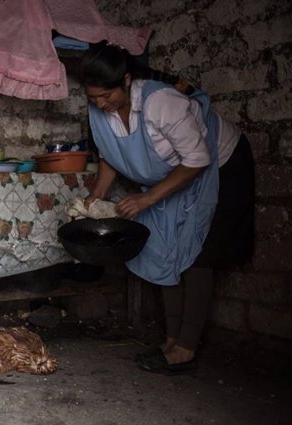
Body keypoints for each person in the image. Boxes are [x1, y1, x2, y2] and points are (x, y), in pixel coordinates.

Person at [79, 42, 254, 375]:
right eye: (93, 98)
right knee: (163, 249)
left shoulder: (160, 102)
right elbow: (109, 157)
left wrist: (148, 198)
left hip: (220, 165)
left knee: (196, 254)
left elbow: (198, 159)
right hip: (173, 176)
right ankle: (171, 339)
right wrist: (96, 195)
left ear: (126, 81)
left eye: (106, 96)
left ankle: (186, 346)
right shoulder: (99, 110)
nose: (100, 104)